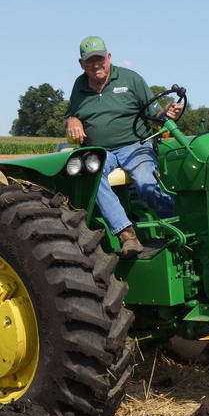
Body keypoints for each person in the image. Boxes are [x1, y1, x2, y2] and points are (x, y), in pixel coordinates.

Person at [64, 36, 182, 258]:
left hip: (134, 144)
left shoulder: (130, 78)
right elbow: (70, 116)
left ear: (108, 58)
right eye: (90, 61)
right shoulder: (79, 86)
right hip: (100, 151)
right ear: (81, 64)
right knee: (92, 178)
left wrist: (167, 113)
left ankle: (173, 222)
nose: (96, 64)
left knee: (145, 181)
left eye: (99, 59)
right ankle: (127, 235)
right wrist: (72, 120)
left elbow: (156, 113)